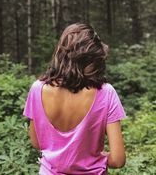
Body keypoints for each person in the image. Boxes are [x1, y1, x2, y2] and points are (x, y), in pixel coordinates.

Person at [23, 23, 126, 175]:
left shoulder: (38, 89)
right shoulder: (106, 93)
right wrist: (94, 159)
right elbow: (118, 160)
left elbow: (37, 142)